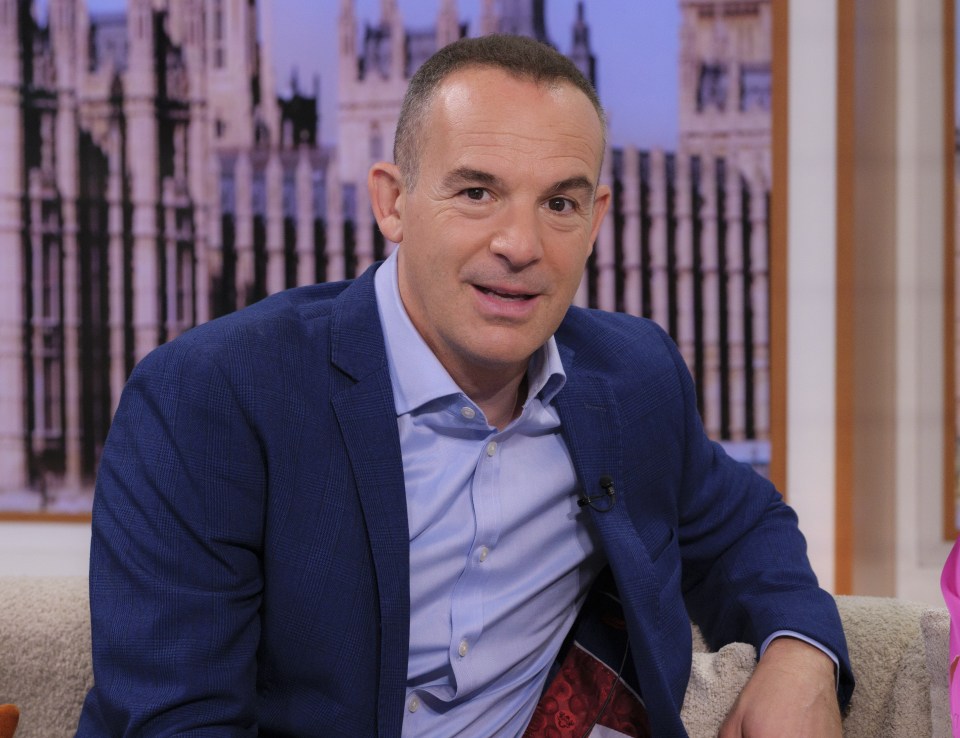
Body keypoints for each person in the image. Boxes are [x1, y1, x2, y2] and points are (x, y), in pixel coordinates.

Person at [77, 34, 853, 737]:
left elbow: (747, 531)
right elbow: (179, 722)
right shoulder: (209, 398)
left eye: (559, 203)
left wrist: (802, 656)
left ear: (597, 218)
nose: (520, 245)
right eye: (477, 192)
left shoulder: (631, 378)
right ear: (392, 201)